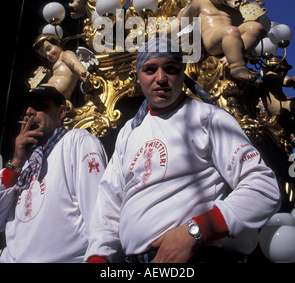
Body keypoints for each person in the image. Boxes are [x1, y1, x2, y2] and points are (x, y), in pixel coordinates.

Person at [85, 38, 281, 264]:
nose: (161, 78)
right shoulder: (129, 131)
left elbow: (263, 187)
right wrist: (98, 260)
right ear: (138, 77)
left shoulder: (209, 118)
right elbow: (109, 206)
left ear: (182, 73)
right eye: (150, 70)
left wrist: (195, 232)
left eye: (170, 69)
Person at [0, 85, 108, 263]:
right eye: (26, 108)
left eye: (40, 105)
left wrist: (100, 258)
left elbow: (99, 210)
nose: (29, 112)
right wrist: (17, 161)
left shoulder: (77, 141)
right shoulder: (26, 162)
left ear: (61, 112)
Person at [170, 0, 264, 82]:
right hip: (213, 42)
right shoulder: (199, 4)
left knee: (256, 27)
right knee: (230, 31)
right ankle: (237, 67)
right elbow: (179, 23)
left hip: (230, 36)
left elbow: (247, 24)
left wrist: (249, 9)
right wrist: (160, 34)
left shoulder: (231, 11)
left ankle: (232, 56)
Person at [32, 34, 90, 100]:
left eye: (49, 49)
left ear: (58, 44)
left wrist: (82, 71)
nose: (48, 54)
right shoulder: (56, 64)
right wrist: (48, 75)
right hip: (56, 93)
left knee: (35, 92)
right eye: (45, 55)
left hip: (55, 89)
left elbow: (74, 63)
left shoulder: (65, 54)